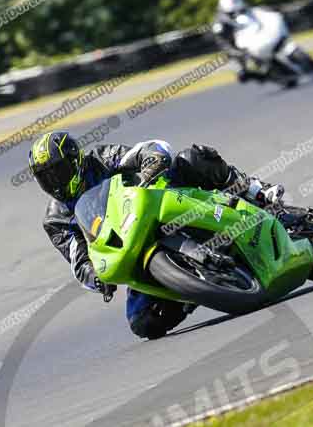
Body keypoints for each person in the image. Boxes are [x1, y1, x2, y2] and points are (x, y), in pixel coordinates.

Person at [28, 131, 284, 339]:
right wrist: (96, 278)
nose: (54, 183)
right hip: (132, 245)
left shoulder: (101, 158)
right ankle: (192, 289)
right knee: (143, 323)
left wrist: (151, 163)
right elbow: (78, 259)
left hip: (155, 205)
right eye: (45, 178)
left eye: (57, 172)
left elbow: (149, 149)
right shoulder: (56, 219)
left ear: (75, 161)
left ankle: (255, 191)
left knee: (191, 158)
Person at [212, 0, 313, 81]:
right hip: (242, 47)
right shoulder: (220, 25)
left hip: (264, 36)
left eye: (240, 9)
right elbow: (224, 44)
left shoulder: (252, 10)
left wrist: (282, 13)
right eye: (233, 12)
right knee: (243, 71)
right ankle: (263, 75)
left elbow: (270, 12)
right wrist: (238, 53)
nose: (237, 13)